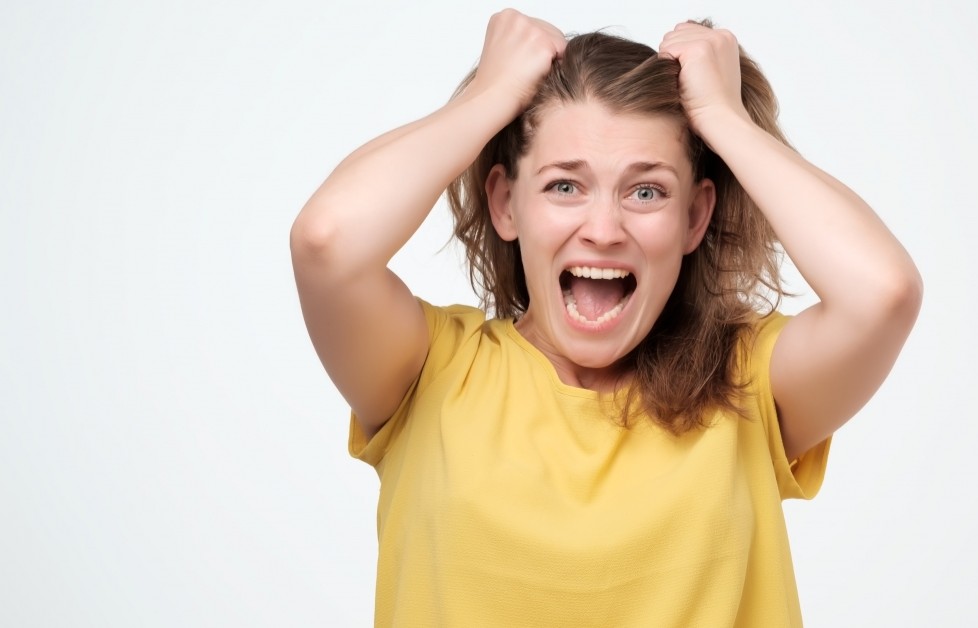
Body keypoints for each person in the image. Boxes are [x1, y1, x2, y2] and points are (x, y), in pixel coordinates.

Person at [291, 9, 921, 627]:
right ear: (506, 204)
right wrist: (491, 94)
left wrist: (724, 121)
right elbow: (327, 242)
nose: (603, 230)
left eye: (646, 191)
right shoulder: (429, 371)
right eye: (565, 186)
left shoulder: (748, 383)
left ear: (694, 219)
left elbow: (882, 293)